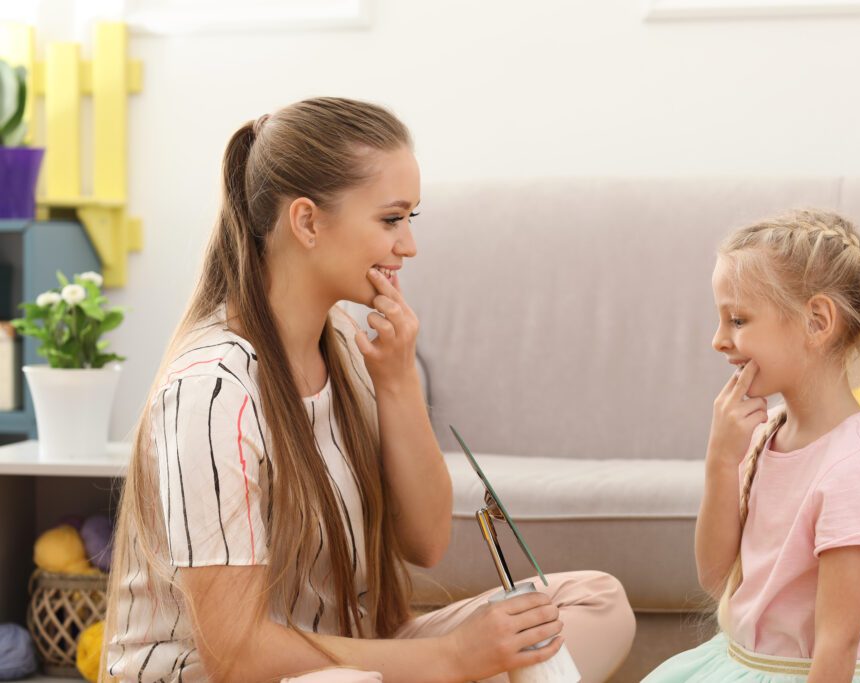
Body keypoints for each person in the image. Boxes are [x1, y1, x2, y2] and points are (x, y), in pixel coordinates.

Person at [102, 97, 635, 683]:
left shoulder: (350, 353)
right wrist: (454, 658)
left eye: (412, 219)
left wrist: (398, 380)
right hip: (239, 674)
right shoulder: (212, 390)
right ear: (307, 222)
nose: (408, 246)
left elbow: (427, 542)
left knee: (594, 603)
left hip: (350, 655)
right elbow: (238, 655)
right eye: (390, 220)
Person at [643, 210, 860, 682]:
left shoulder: (854, 469)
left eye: (737, 319)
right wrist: (721, 460)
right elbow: (717, 579)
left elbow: (837, 645)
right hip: (740, 664)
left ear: (817, 321)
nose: (718, 340)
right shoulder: (768, 433)